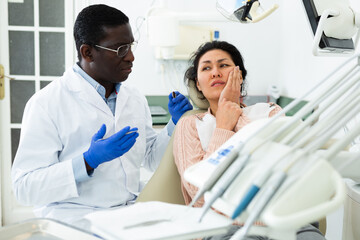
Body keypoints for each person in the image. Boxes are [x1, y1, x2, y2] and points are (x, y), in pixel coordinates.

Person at [11, 4, 192, 226]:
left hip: (130, 213)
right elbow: (24, 188)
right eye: (120, 49)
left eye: (131, 46)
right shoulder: (46, 104)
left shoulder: (134, 99)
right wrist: (87, 162)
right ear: (87, 52)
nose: (131, 57)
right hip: (75, 220)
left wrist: (174, 126)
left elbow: (151, 159)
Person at [173, 41, 325, 239]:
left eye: (224, 65)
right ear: (199, 85)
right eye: (206, 68)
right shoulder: (190, 125)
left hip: (285, 222)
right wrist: (223, 127)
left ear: (240, 75)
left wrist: (234, 113)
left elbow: (286, 171)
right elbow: (199, 194)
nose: (216, 72)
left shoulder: (271, 112)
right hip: (225, 227)